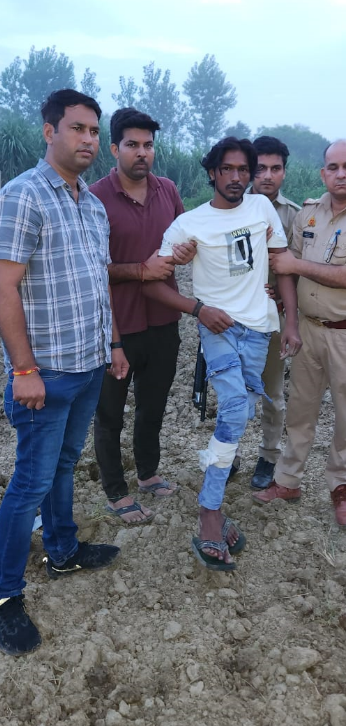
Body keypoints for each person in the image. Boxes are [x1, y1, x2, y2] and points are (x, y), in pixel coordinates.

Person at [0, 89, 129, 656]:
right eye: (77, 128)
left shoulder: (91, 204)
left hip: (89, 363)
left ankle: (62, 551)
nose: (88, 140)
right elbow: (4, 286)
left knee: (64, 464)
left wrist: (114, 344)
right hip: (46, 372)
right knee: (29, 481)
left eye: (94, 131)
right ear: (49, 131)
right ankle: (5, 595)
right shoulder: (23, 195)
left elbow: (99, 284)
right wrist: (23, 369)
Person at [147, 137, 302, 571]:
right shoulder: (189, 224)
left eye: (243, 170)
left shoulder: (262, 208)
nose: (236, 177)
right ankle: (210, 512)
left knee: (241, 414)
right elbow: (152, 281)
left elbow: (281, 265)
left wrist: (289, 321)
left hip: (259, 331)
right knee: (234, 409)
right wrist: (198, 309)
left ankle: (216, 504)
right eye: (227, 169)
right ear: (213, 172)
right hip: (218, 328)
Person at [252, 139, 346, 527]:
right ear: (323, 174)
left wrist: (294, 265)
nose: (341, 174)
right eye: (333, 167)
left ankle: (341, 487)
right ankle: (288, 481)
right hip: (308, 329)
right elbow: (286, 270)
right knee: (300, 409)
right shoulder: (309, 214)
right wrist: (289, 319)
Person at [90, 108, 196, 524]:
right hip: (116, 327)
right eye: (132, 144)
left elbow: (184, 242)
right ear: (114, 148)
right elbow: (91, 268)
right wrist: (139, 270)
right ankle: (116, 492)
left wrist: (186, 252)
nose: (142, 153)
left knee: (153, 406)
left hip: (163, 320)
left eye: (148, 145)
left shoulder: (167, 190)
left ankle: (148, 473)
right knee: (110, 414)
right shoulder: (95, 198)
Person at [248, 136, 301, 488]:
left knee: (272, 392)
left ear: (284, 171)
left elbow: (297, 269)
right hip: (234, 319)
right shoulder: (232, 206)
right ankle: (229, 453)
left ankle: (268, 455)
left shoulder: (294, 216)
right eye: (260, 168)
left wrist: (282, 298)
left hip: (274, 317)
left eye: (275, 168)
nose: (267, 175)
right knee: (235, 392)